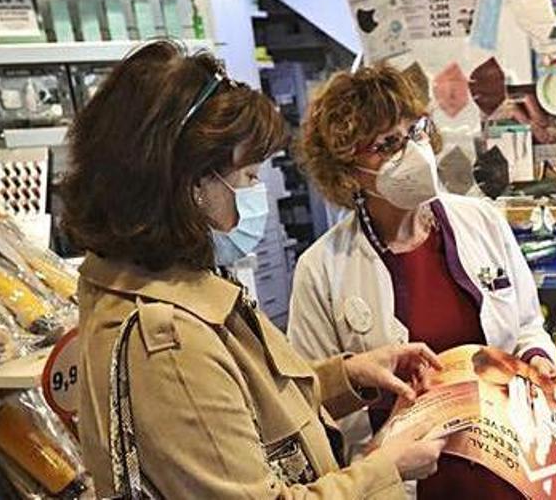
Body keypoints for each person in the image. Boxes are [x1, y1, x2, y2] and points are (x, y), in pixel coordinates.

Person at [62, 40, 447, 498]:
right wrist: (387, 466)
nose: (257, 192)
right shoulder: (166, 341)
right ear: (189, 185)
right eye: (246, 177)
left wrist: (347, 377)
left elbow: (243, 415)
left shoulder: (176, 285)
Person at [289, 65, 556, 499]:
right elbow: (308, 399)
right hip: (403, 481)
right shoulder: (322, 268)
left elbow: (528, 322)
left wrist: (536, 357)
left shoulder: (480, 221)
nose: (412, 151)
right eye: (386, 145)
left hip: (506, 467)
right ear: (347, 170)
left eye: (415, 131)